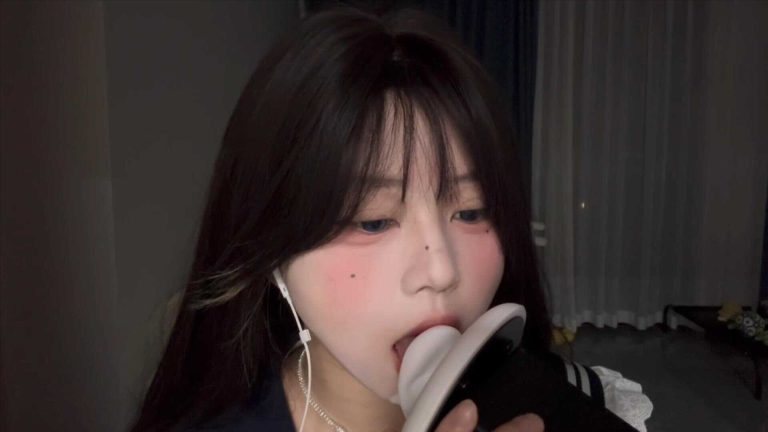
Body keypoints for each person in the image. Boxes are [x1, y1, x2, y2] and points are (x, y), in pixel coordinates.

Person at [130, 6, 650, 432]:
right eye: (373, 221)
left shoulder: (565, 403)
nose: (441, 270)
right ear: (273, 254)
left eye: (472, 211)